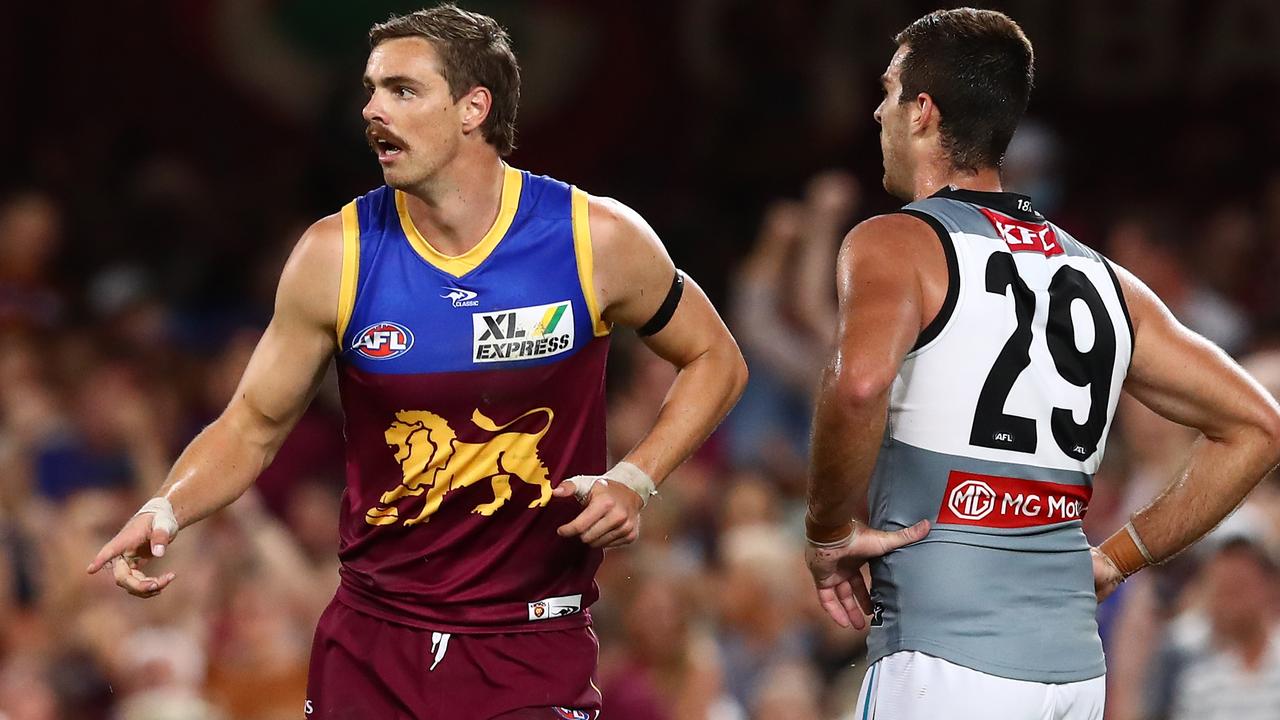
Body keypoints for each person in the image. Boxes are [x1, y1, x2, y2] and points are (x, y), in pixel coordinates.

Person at [86, 5, 747, 719]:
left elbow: (717, 358)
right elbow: (251, 425)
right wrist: (166, 508)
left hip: (527, 648)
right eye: (370, 90)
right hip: (371, 646)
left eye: (402, 90)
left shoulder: (596, 240)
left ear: (473, 108)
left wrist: (636, 477)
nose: (371, 110)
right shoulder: (333, 255)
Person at [801, 8, 1280, 720]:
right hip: (1074, 672)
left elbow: (860, 384)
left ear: (923, 112)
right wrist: (1119, 556)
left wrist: (827, 532)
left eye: (889, 89)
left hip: (944, 657)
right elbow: (1258, 428)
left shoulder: (896, 243)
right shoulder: (1107, 280)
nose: (877, 111)